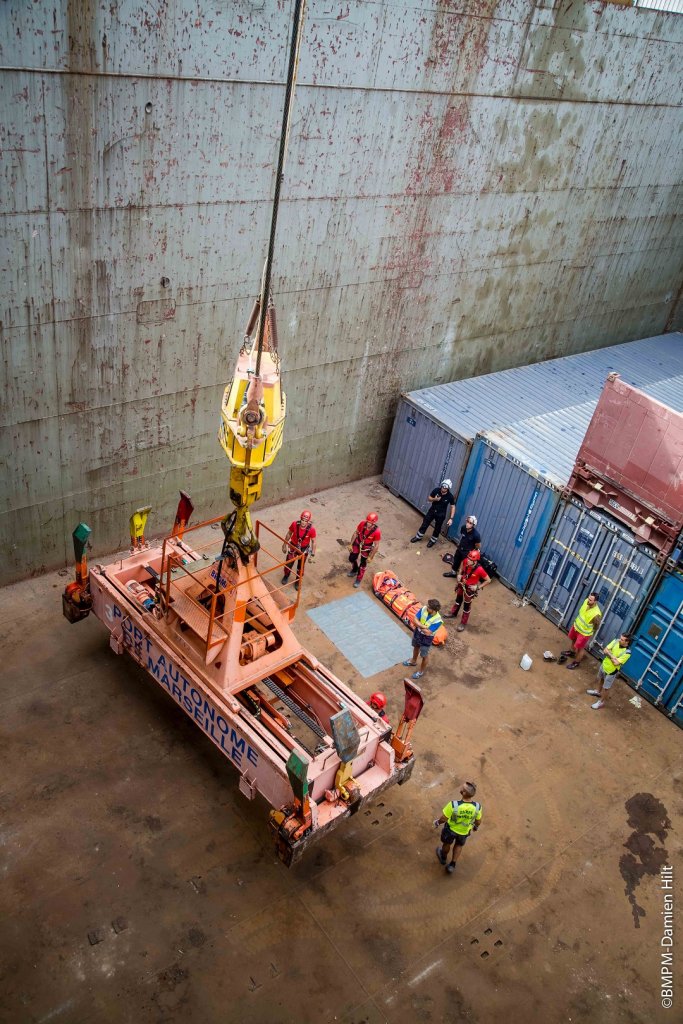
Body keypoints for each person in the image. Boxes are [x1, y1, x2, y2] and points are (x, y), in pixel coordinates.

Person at [434, 781, 482, 874]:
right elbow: (478, 821)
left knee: (447, 844)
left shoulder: (453, 805)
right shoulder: (477, 807)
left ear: (463, 793)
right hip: (464, 832)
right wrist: (475, 827)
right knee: (459, 845)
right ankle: (452, 865)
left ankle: (443, 857)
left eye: (462, 788)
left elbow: (443, 818)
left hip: (450, 830)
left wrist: (437, 822)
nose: (460, 788)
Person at [444, 550, 490, 631]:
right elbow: (461, 567)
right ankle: (453, 613)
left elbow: (488, 580)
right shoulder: (465, 561)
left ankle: (463, 622)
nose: (468, 560)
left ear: (475, 561)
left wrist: (477, 587)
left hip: (469, 589)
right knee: (458, 600)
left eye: (471, 560)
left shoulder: (479, 570)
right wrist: (459, 574)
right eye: (468, 558)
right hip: (462, 584)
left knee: (466, 606)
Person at [586, 633, 633, 709]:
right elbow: (605, 650)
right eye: (620, 638)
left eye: (622, 640)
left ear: (627, 642)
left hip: (611, 671)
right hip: (604, 665)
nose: (619, 640)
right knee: (601, 679)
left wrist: (609, 653)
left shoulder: (627, 653)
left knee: (606, 688)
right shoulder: (616, 641)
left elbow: (616, 663)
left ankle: (601, 702)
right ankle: (598, 691)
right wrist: (612, 656)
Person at [559, 592, 602, 670]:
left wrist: (587, 631)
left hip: (584, 634)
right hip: (576, 627)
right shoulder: (586, 601)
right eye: (589, 598)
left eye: (591, 600)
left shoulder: (596, 614)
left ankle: (576, 662)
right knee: (573, 639)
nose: (588, 601)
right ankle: (572, 652)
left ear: (595, 601)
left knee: (580, 648)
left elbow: (596, 627)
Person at [403, 598, 443, 678]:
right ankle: (413, 661)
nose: (426, 606)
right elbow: (415, 619)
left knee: (424, 655)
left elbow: (428, 632)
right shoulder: (424, 609)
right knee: (416, 647)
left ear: (433, 610)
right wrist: (423, 626)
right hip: (418, 633)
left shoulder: (438, 620)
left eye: (429, 606)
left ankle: (420, 672)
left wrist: (418, 624)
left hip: (426, 639)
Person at [410, 479, 455, 549]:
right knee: (425, 523)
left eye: (445, 488)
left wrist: (451, 518)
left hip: (441, 514)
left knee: (437, 528)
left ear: (448, 488)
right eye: (443, 486)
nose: (443, 488)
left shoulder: (450, 496)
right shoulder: (436, 490)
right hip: (432, 511)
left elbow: (453, 506)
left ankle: (433, 540)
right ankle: (418, 536)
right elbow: (429, 498)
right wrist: (435, 499)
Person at [282, 509, 316, 589]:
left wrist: (312, 555)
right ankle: (286, 575)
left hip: (303, 549)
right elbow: (289, 534)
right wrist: (284, 545)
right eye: (302, 520)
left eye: (305, 521)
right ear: (300, 518)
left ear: (308, 521)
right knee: (289, 563)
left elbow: (313, 542)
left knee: (300, 567)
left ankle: (297, 581)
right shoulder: (294, 524)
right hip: (293, 546)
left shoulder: (311, 529)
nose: (303, 522)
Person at [348, 512, 381, 588]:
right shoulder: (362, 523)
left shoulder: (377, 532)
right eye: (368, 522)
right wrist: (351, 544)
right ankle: (355, 569)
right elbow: (356, 533)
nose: (368, 524)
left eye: (370, 523)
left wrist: (371, 557)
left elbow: (376, 545)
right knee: (351, 558)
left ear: (374, 523)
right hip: (358, 541)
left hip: (366, 547)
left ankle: (358, 579)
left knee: (363, 563)